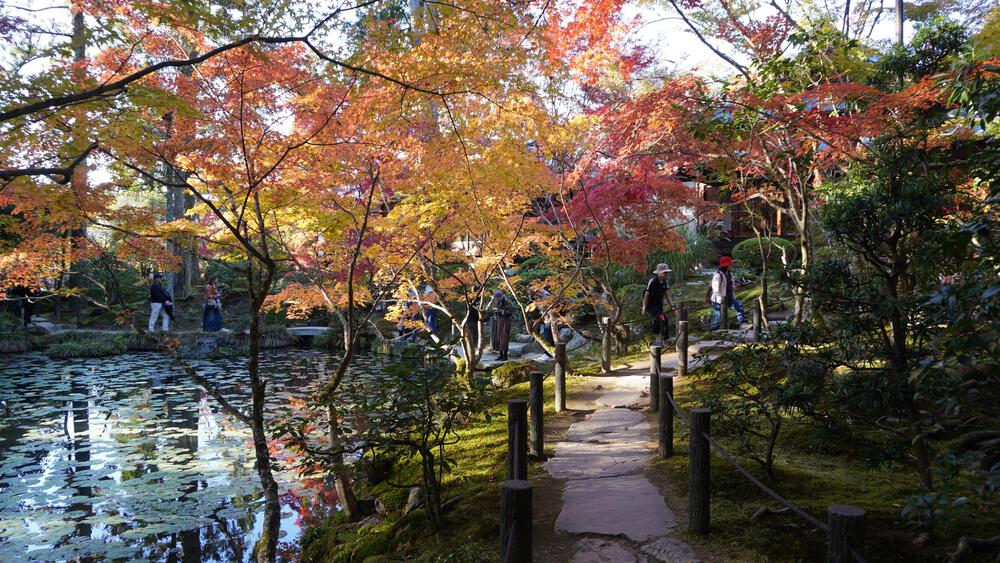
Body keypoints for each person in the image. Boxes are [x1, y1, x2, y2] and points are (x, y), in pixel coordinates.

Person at [707, 256, 746, 330]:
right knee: (719, 320)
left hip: (729, 298)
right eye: (731, 264)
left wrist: (736, 287)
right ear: (727, 266)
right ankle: (711, 330)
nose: (732, 266)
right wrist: (721, 300)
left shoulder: (730, 274)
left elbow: (730, 287)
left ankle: (742, 324)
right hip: (718, 300)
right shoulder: (718, 275)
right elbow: (715, 289)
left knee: (739, 306)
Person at [642, 263, 675, 345]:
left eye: (666, 272)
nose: (666, 274)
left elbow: (666, 294)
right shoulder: (652, 281)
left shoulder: (665, 282)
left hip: (659, 306)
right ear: (659, 273)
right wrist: (644, 308)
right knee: (663, 318)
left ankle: (658, 336)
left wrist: (672, 306)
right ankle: (664, 339)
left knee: (659, 320)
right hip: (651, 306)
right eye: (664, 272)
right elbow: (646, 295)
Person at [490, 290, 514, 360]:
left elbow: (510, 312)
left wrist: (500, 311)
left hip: (506, 322)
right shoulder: (497, 302)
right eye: (496, 298)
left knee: (504, 339)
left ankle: (505, 356)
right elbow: (493, 309)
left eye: (498, 297)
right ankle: (500, 355)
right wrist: (494, 310)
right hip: (498, 322)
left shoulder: (508, 303)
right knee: (498, 338)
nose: (497, 299)